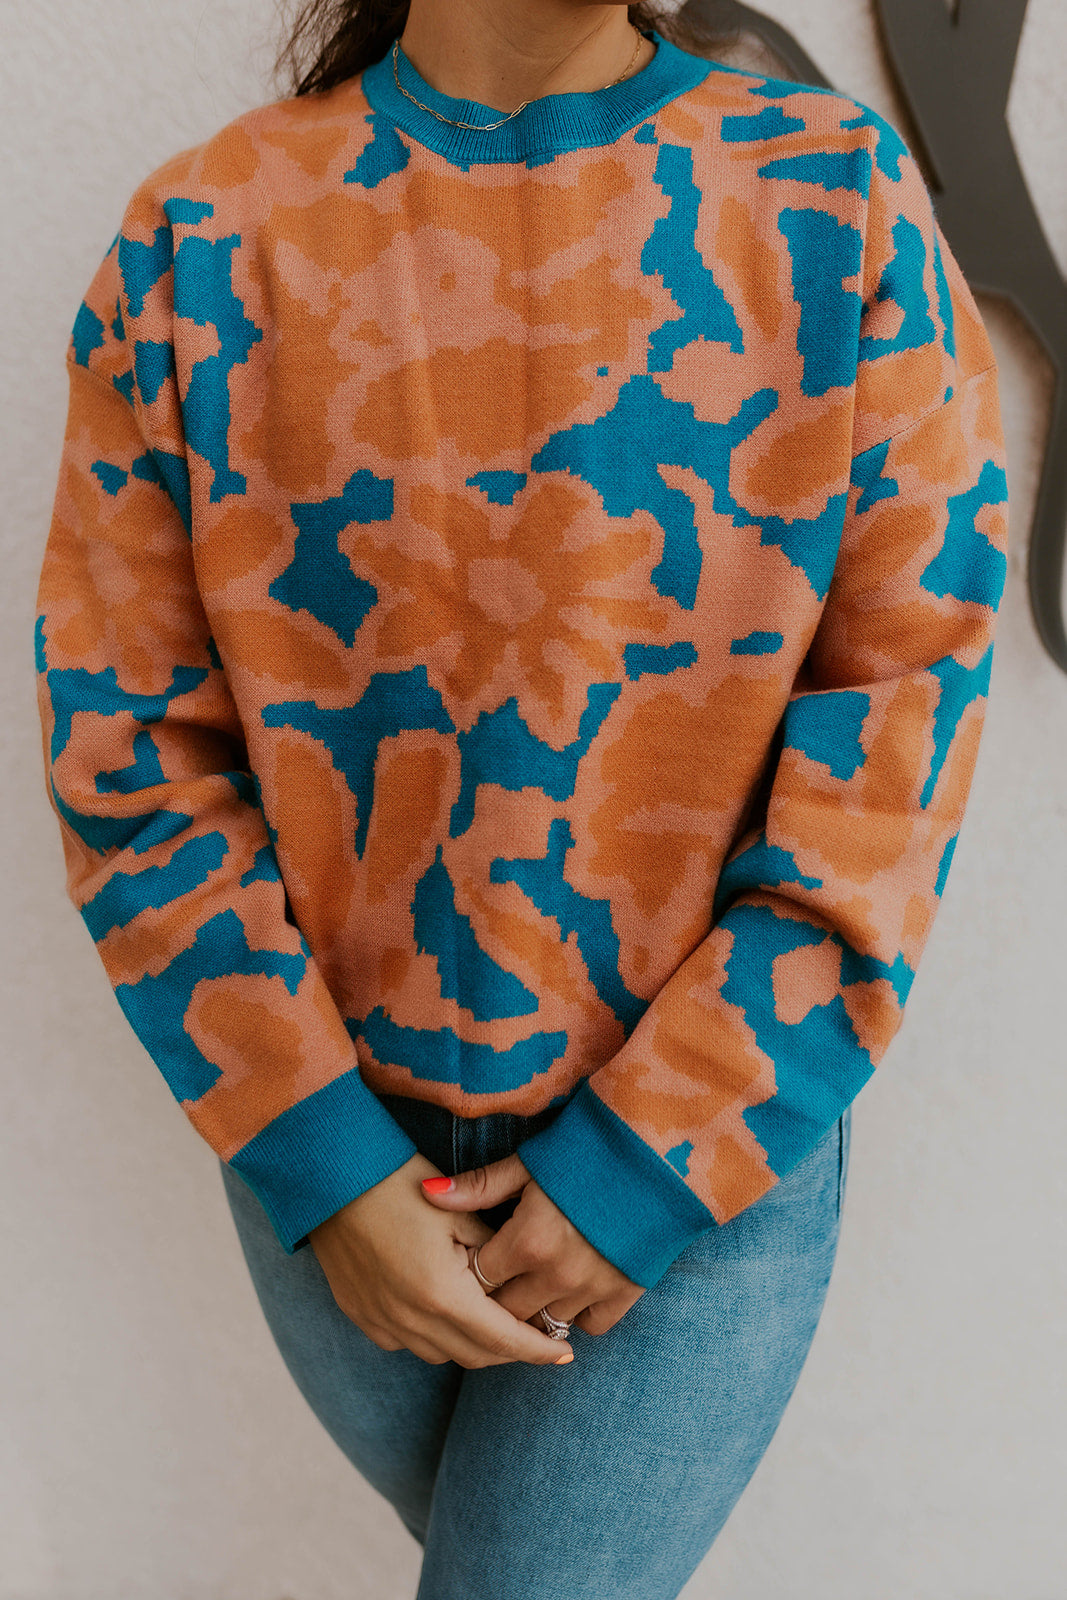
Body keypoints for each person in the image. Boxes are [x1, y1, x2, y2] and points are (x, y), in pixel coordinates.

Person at [33, 0, 1010, 1594]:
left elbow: (904, 719)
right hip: (341, 1162)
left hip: (702, 1165)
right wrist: (325, 1161)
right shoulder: (202, 237)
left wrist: (655, 1151)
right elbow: (128, 748)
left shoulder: (837, 197)